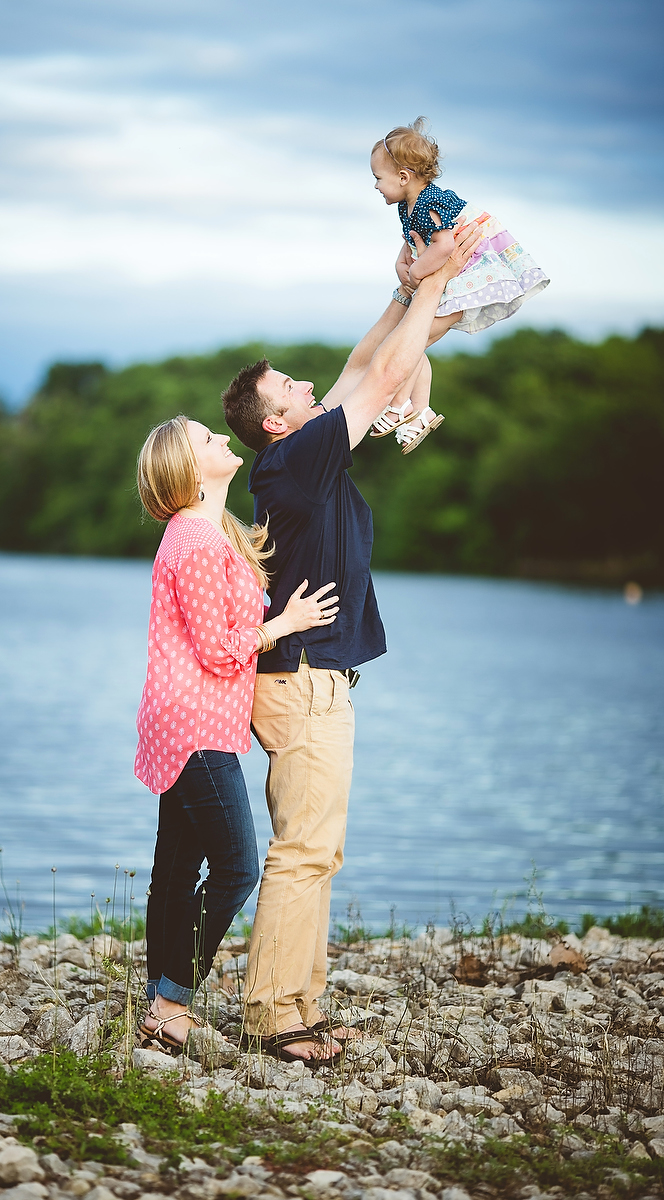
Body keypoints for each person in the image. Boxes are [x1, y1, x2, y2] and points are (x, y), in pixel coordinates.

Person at [220, 220, 484, 1062]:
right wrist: (435, 286)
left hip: (311, 679)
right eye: (291, 386)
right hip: (301, 681)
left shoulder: (304, 453)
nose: (308, 384)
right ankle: (274, 1019)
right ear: (275, 422)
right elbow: (390, 372)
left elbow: (373, 359)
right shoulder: (295, 462)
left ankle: (297, 1004)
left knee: (316, 850)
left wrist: (409, 288)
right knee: (304, 851)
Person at [134, 415, 339, 1052]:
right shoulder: (194, 542)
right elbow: (221, 650)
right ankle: (172, 1000)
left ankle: (156, 1000)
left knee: (176, 868)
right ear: (190, 471)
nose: (219, 438)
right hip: (194, 726)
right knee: (237, 868)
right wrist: (286, 624)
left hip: (192, 721)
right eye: (205, 438)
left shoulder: (210, 531)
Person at [369, 117, 549, 451]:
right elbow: (416, 236)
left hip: (467, 280)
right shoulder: (412, 204)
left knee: (410, 343)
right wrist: (401, 261)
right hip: (453, 281)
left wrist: (416, 273)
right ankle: (418, 410)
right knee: (412, 342)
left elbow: (444, 244)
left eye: (378, 178)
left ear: (403, 177)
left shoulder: (428, 202)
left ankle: (401, 406)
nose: (376, 186)